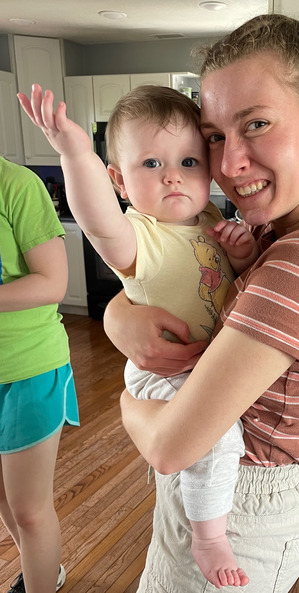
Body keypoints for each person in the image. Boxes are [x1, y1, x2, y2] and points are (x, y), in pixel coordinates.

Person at [101, 13, 299, 593]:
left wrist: (125, 400)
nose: (227, 165)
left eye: (255, 124)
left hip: (239, 508)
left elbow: (173, 445)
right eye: (216, 136)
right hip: (238, 496)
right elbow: (186, 284)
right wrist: (119, 314)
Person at [17, 84, 259, 588]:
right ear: (119, 181)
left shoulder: (212, 219)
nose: (173, 174)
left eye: (189, 161)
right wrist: (75, 154)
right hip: (164, 370)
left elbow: (239, 286)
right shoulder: (137, 236)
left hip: (203, 364)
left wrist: (240, 255)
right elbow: (96, 221)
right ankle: (208, 535)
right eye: (150, 165)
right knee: (213, 435)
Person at [0, 156, 80, 593]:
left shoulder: (16, 185)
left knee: (30, 509)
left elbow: (52, 282)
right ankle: (42, 573)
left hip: (29, 369)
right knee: (4, 501)